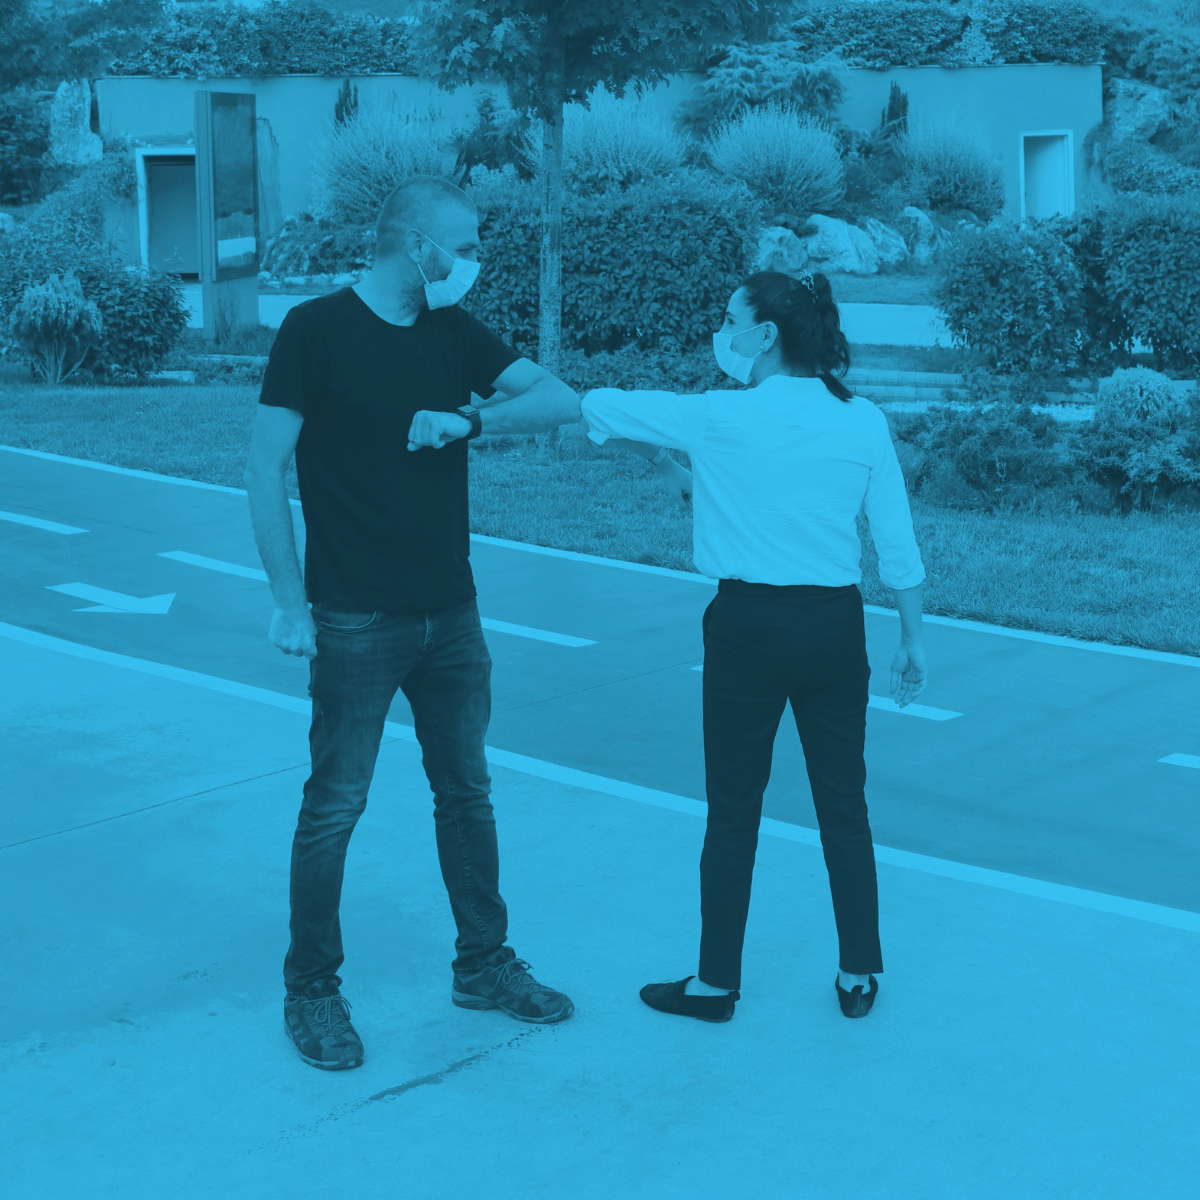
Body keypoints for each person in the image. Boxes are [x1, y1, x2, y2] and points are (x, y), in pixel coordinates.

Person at [244, 175, 583, 1072]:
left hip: (452, 613)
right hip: (353, 616)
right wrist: (289, 599)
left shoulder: (451, 332)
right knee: (335, 808)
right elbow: (262, 468)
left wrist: (467, 417)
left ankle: (484, 964)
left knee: (466, 793)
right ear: (417, 244)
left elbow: (557, 398)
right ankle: (311, 991)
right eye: (462, 244)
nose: (470, 260)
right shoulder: (314, 331)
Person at [574, 269, 929, 1024]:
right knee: (844, 804)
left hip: (746, 630)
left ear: (765, 334)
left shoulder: (719, 417)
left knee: (734, 809)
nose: (724, 331)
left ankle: (714, 985)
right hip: (836, 629)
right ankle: (859, 972)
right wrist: (911, 638)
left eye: (731, 318)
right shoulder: (860, 419)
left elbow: (597, 404)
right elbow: (894, 543)